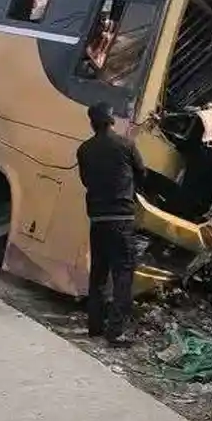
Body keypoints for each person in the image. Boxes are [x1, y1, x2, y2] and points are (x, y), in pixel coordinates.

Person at [75, 101, 144, 346]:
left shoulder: (84, 149)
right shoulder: (126, 145)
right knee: (123, 275)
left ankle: (95, 326)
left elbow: (85, 180)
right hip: (121, 219)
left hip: (98, 219)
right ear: (112, 121)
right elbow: (142, 173)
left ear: (92, 123)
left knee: (99, 274)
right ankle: (116, 332)